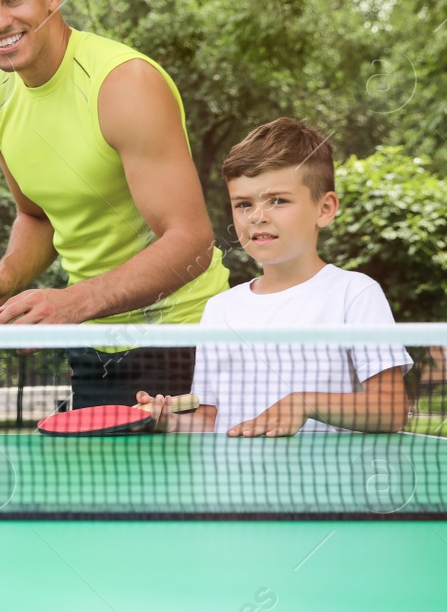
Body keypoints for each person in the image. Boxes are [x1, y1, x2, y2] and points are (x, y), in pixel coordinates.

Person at [0, 0, 229, 407]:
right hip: (92, 348)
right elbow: (37, 215)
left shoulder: (124, 84)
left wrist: (74, 302)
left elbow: (191, 243)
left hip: (185, 341)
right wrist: (6, 280)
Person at [139, 118, 411, 435]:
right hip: (237, 484)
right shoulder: (220, 309)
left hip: (329, 483)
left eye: (278, 200)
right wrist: (167, 421)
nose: (257, 216)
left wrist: (305, 403)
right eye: (243, 204)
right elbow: (211, 419)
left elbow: (391, 410)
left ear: (325, 209)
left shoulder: (356, 294)